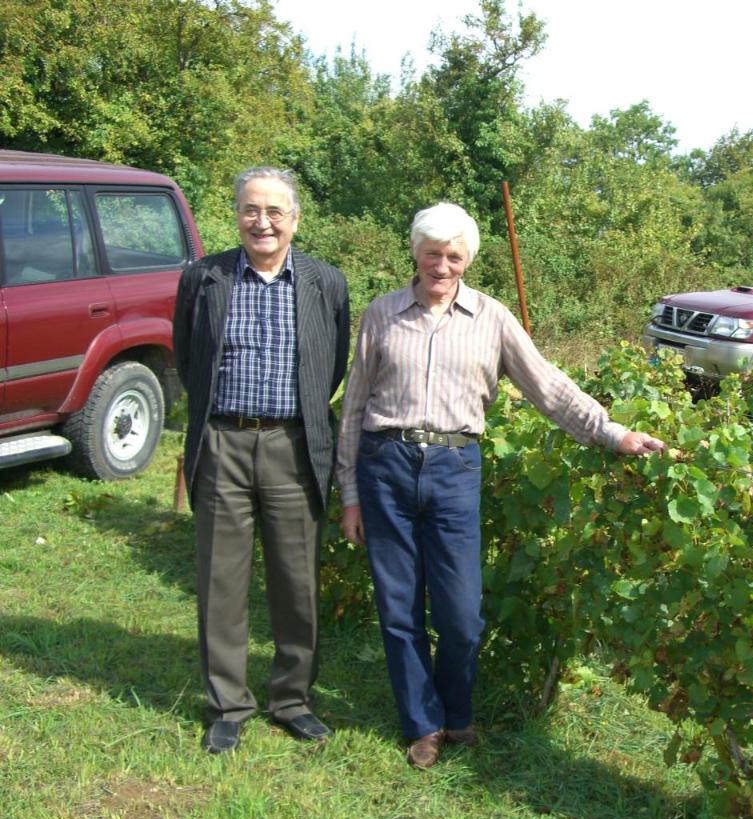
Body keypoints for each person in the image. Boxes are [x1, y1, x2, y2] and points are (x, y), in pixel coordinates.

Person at [337, 202, 665, 769]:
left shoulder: (491, 318)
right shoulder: (382, 314)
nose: (442, 266)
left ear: (467, 259)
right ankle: (423, 724)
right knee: (398, 607)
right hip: (385, 464)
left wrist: (612, 433)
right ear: (415, 252)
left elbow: (548, 386)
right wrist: (349, 494)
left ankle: (457, 710)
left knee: (462, 615)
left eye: (453, 256)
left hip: (454, 468)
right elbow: (354, 406)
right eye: (432, 253)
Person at [173, 166, 351, 754]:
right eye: (251, 209)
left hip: (293, 447)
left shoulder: (327, 282)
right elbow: (188, 358)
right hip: (222, 442)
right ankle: (228, 703)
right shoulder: (204, 278)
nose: (262, 222)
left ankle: (292, 699)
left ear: (295, 219)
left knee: (297, 581)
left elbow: (332, 365)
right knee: (220, 580)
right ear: (237, 215)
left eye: (275, 211)